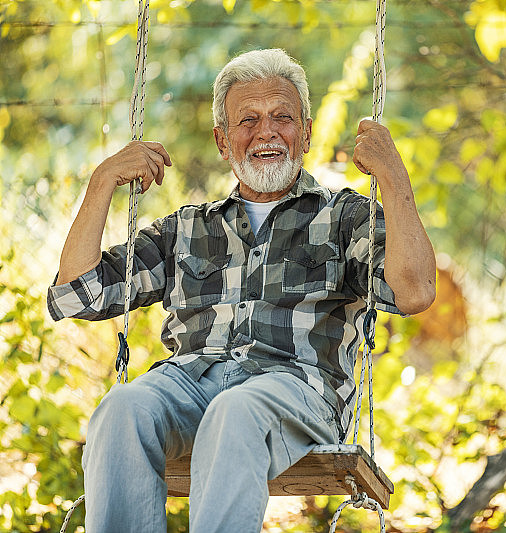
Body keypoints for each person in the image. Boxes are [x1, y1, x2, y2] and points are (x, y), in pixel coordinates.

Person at [47, 48, 436, 532]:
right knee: (121, 408)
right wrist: (103, 179)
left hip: (293, 390)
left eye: (282, 117)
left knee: (236, 409)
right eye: (247, 120)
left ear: (307, 133)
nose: (266, 132)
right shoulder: (186, 228)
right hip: (190, 383)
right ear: (223, 141)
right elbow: (74, 295)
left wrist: (393, 176)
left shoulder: (344, 218)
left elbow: (415, 291)